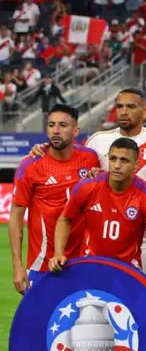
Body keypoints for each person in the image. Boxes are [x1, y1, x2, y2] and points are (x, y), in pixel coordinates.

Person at [51, 137, 146, 297]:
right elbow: (65, 219)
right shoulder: (87, 187)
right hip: (91, 266)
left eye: (124, 160)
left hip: (127, 271)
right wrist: (58, 253)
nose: (117, 165)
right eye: (113, 159)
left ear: (136, 165)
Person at [10, 104, 100, 293]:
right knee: (38, 322)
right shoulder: (30, 165)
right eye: (51, 125)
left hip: (81, 262)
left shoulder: (91, 159)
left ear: (75, 130)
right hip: (41, 265)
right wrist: (18, 266)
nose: (56, 131)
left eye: (62, 125)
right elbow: (16, 219)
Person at [83, 89, 146, 282]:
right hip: (104, 238)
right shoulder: (97, 141)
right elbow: (81, 174)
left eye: (130, 107)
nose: (123, 111)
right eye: (119, 106)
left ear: (145, 111)